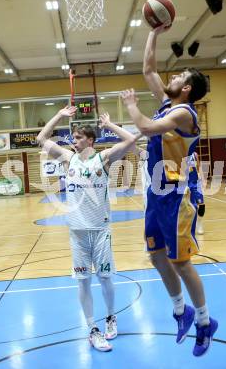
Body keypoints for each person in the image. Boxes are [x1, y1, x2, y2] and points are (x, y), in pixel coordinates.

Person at [122, 23, 218, 357]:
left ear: (187, 88)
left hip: (177, 197)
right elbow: (148, 67)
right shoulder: (168, 102)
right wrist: (154, 31)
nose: (172, 77)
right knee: (156, 255)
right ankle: (182, 312)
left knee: (180, 263)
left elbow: (146, 126)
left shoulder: (182, 112)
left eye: (178, 77)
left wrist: (131, 106)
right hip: (155, 194)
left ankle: (205, 322)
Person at [36, 107, 138, 352]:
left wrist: (109, 125)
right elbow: (41, 138)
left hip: (100, 230)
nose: (74, 140)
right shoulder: (67, 158)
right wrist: (60, 115)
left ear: (91, 140)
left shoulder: (102, 159)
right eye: (73, 137)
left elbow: (132, 140)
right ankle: (92, 329)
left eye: (79, 137)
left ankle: (111, 317)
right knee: (83, 282)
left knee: (105, 278)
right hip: (77, 233)